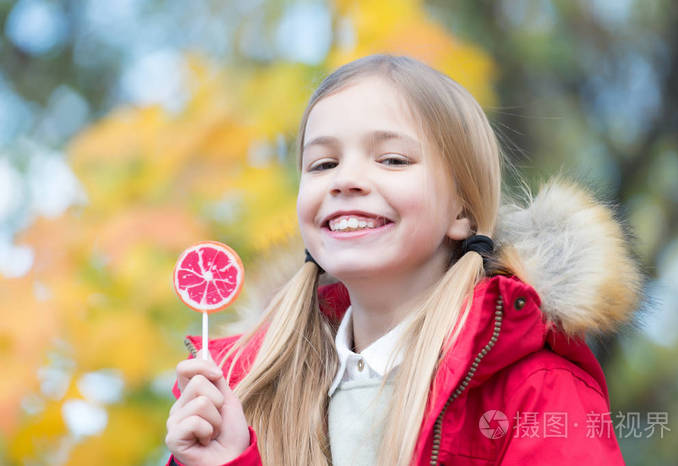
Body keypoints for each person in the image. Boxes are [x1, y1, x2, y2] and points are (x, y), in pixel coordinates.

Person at [164, 54, 643, 466]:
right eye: (323, 164)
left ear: (462, 210)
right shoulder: (249, 391)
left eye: (392, 160)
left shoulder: (537, 390)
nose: (345, 180)